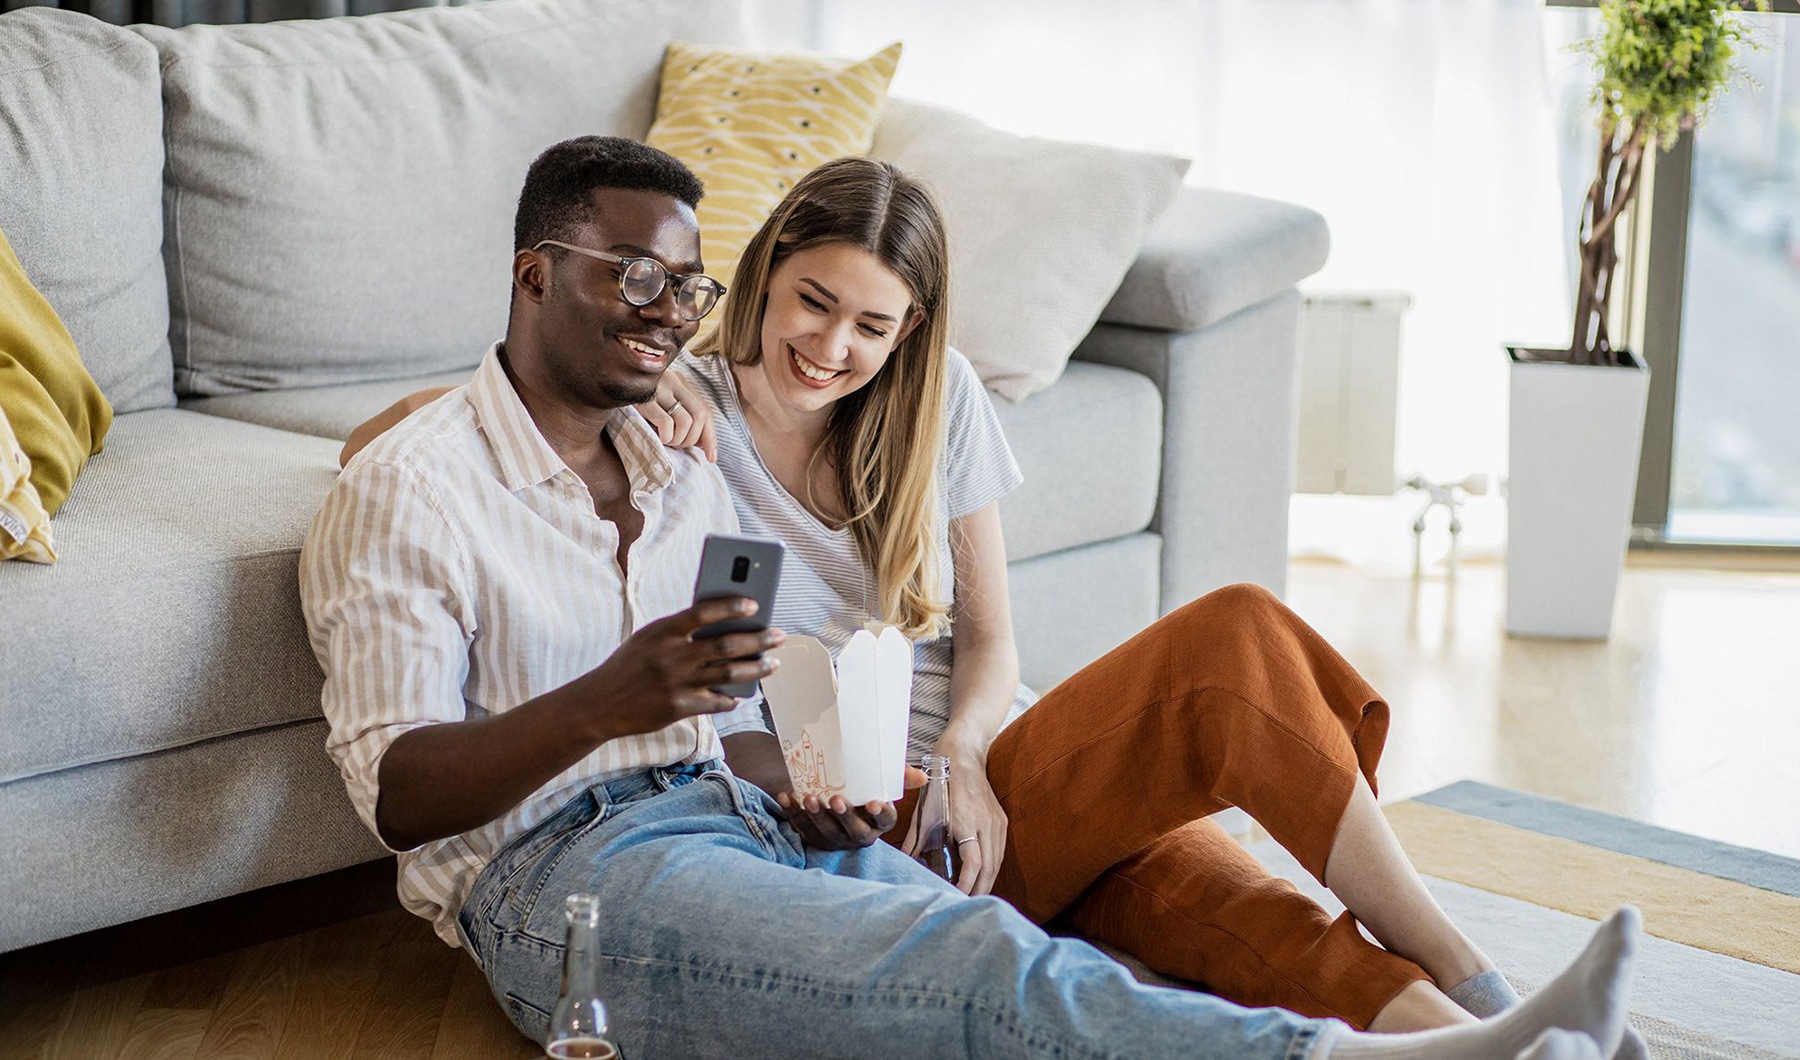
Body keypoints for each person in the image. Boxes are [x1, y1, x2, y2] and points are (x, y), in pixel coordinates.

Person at [306, 135, 1639, 1060]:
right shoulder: (671, 410)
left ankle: (1484, 1021)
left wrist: (971, 757)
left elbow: (994, 642)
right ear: (764, 281)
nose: (832, 346)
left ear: (911, 336)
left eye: (873, 327)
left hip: (963, 772)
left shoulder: (914, 408)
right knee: (1196, 737)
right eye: (811, 303)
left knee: (1212, 876)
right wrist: (589, 387)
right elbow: (441, 438)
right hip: (806, 791)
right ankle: (1474, 1015)